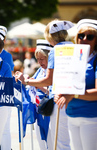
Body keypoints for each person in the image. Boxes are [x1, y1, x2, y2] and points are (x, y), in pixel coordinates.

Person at [15, 19, 74, 150]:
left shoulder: (55, 50)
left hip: (59, 99)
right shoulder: (73, 47)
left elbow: (49, 80)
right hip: (74, 99)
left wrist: (27, 81)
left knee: (59, 143)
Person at [54, 19, 97, 150]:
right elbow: (64, 84)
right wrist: (59, 93)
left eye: (90, 36)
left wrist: (73, 94)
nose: (84, 39)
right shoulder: (71, 57)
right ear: (76, 38)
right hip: (71, 114)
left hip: (91, 117)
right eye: (81, 35)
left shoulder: (96, 60)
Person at [31, 39, 53, 150]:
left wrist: (38, 85)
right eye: (38, 59)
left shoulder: (54, 71)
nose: (40, 62)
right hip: (40, 110)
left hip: (50, 111)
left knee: (51, 142)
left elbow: (52, 92)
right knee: (41, 143)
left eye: (42, 59)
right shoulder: (40, 70)